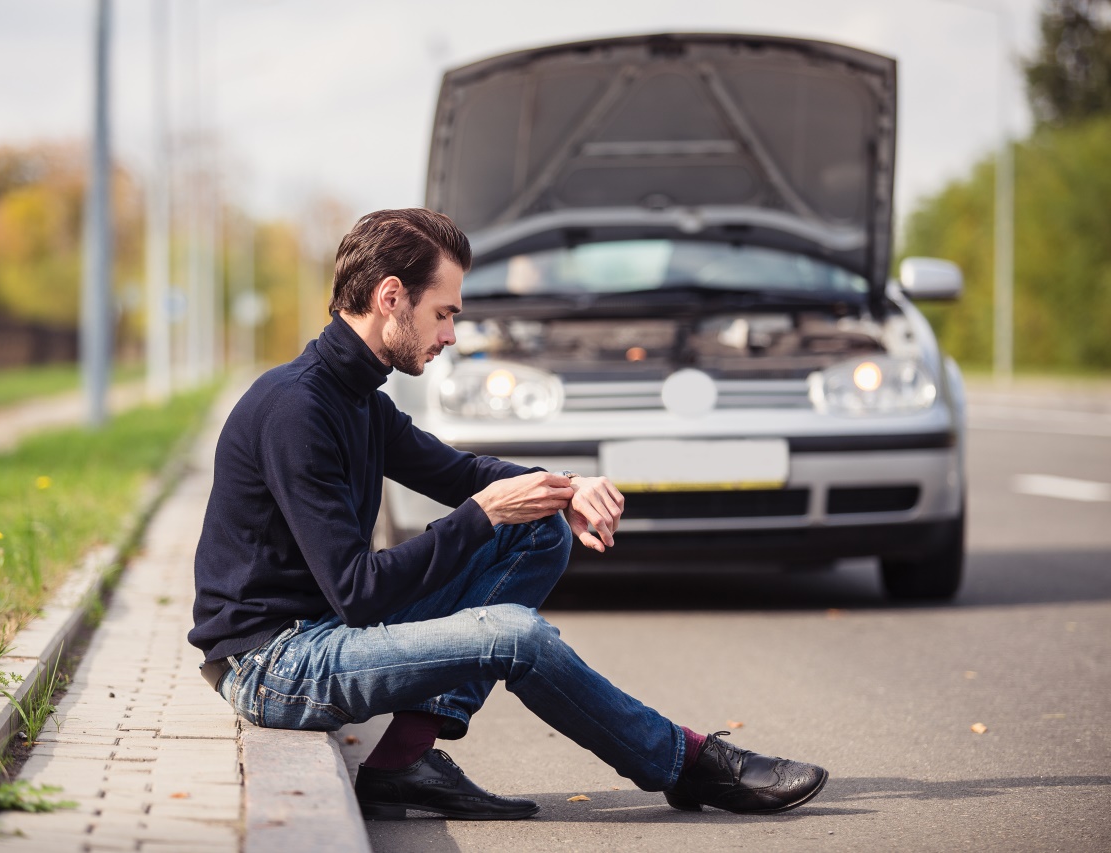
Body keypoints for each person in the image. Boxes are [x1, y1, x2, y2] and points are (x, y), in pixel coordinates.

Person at [189, 208, 828, 820]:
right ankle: (687, 765)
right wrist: (482, 514)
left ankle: (405, 760)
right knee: (513, 635)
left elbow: (462, 472)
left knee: (539, 531)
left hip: (323, 630)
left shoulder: (356, 399)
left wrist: (564, 490)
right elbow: (359, 592)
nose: (450, 336)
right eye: (443, 314)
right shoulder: (297, 411)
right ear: (391, 297)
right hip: (274, 665)